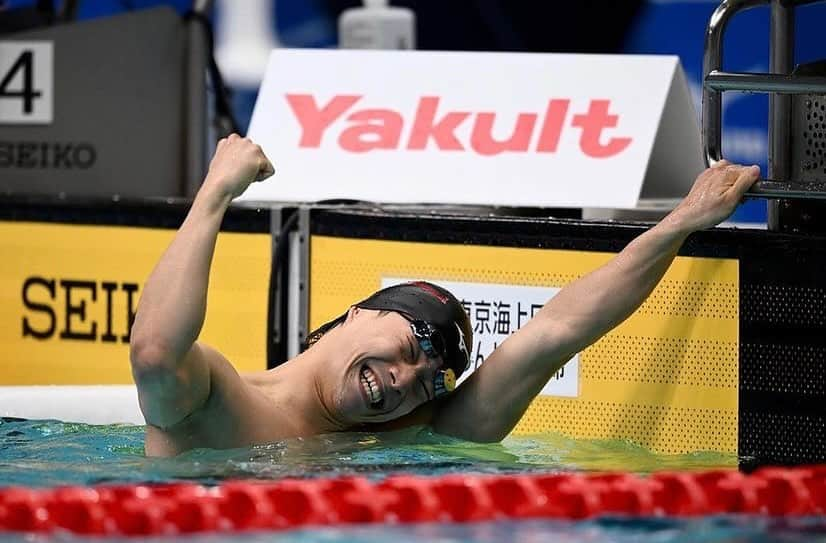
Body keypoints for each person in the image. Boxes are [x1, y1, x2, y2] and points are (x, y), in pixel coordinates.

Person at [130, 134, 760, 457]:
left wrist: (680, 223)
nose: (407, 381)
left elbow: (556, 331)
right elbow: (156, 350)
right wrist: (215, 192)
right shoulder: (211, 398)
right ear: (358, 314)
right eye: (411, 348)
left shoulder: (404, 437)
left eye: (429, 382)